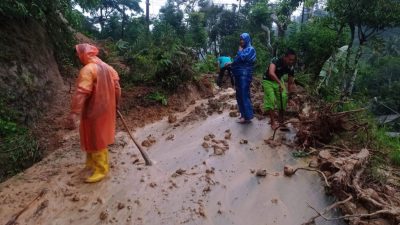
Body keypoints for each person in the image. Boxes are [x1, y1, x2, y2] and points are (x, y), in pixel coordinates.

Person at [67, 43, 121, 183]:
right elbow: (117, 88)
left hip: (93, 110)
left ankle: (101, 169)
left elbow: (81, 93)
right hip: (107, 109)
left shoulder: (88, 70)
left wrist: (74, 112)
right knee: (93, 136)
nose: (77, 57)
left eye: (78, 54)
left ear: (83, 54)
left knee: (96, 138)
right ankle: (91, 164)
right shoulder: (109, 68)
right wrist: (116, 104)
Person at [263, 49, 297, 130]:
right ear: (285, 57)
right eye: (290, 59)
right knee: (271, 100)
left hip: (278, 81)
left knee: (283, 97)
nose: (291, 61)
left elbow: (290, 82)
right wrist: (280, 83)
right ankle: (273, 122)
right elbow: (271, 73)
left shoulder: (291, 67)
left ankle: (281, 121)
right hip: (268, 80)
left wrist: (289, 96)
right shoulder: (276, 60)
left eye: (293, 60)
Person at [230, 33, 256, 124]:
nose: (241, 41)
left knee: (244, 94)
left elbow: (243, 59)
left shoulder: (250, 49)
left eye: (243, 39)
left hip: (244, 75)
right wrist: (230, 64)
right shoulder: (243, 50)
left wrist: (240, 51)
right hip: (238, 75)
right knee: (239, 95)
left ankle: (247, 116)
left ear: (247, 40)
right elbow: (236, 61)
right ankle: (243, 114)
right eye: (240, 39)